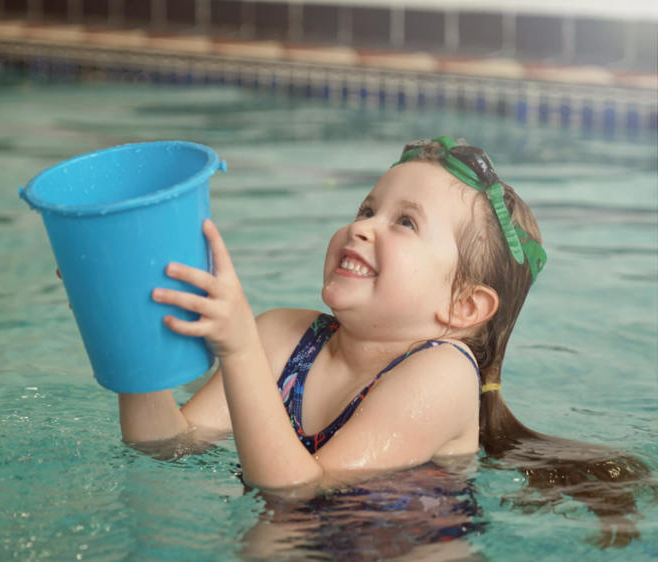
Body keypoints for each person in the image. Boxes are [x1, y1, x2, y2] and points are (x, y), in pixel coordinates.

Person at [116, 136, 652, 548]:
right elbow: (166, 446)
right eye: (366, 209)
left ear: (463, 306)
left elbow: (298, 490)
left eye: (405, 223)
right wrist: (124, 331)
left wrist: (236, 351)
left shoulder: (443, 373)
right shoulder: (281, 335)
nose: (363, 228)